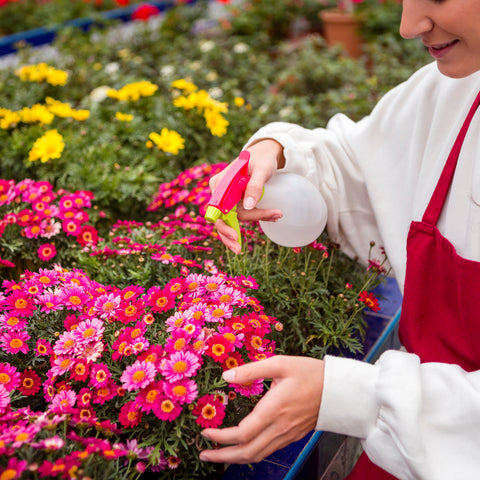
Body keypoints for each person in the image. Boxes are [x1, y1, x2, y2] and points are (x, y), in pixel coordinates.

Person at [198, 0, 480, 479]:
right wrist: (277, 156)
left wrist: (349, 395)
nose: (409, 26)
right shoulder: (455, 86)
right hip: (408, 445)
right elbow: (362, 163)